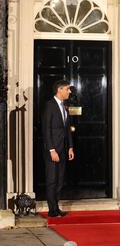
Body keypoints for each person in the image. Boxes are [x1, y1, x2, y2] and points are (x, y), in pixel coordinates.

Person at [42, 80, 75, 217]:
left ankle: (56, 207)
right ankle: (52, 210)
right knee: (52, 180)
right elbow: (46, 129)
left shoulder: (64, 106)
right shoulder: (49, 106)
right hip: (53, 150)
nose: (69, 91)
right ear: (59, 90)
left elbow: (67, 129)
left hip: (63, 149)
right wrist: (51, 150)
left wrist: (70, 147)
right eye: (67, 89)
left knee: (60, 180)